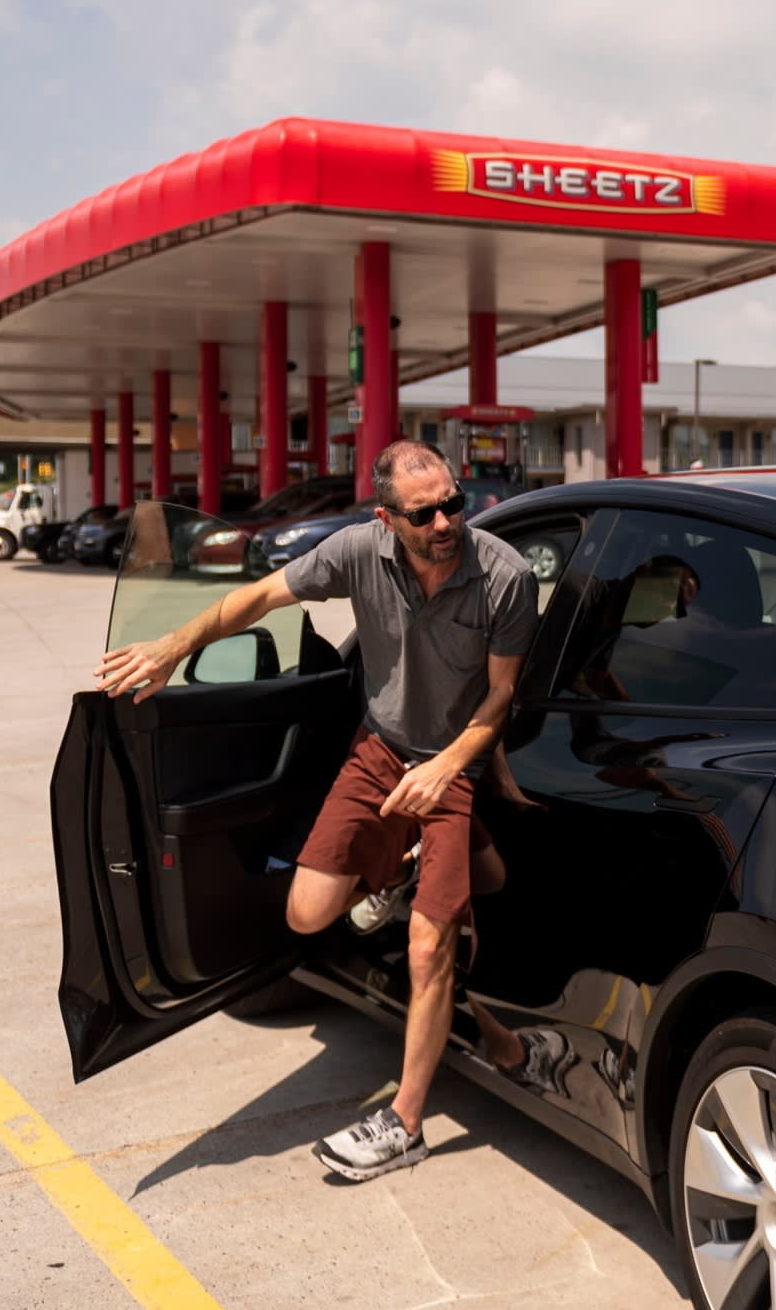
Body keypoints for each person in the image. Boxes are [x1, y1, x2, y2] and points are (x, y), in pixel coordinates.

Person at [92, 439, 538, 1181]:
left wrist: (448, 771)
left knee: (430, 952)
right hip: (379, 750)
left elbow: (499, 698)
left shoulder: (505, 576)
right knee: (306, 912)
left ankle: (406, 1122)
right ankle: (417, 870)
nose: (446, 523)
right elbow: (256, 598)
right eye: (424, 513)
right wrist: (174, 646)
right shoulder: (356, 553)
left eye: (454, 504)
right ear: (386, 517)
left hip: (455, 761)